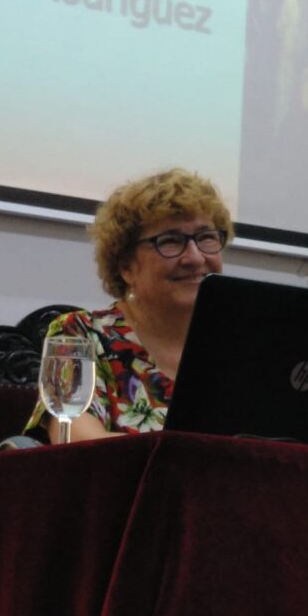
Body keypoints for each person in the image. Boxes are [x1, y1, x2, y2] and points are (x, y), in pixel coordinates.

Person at [26, 168, 234, 443]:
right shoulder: (79, 334)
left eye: (206, 237)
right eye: (170, 241)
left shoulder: (240, 342)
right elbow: (75, 442)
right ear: (126, 266)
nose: (195, 258)